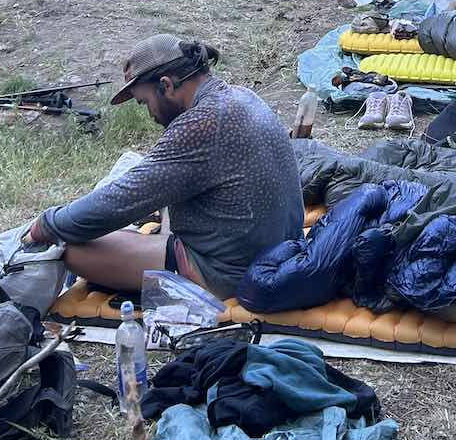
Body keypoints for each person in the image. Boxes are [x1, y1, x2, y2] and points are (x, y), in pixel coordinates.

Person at [23, 34, 302, 297]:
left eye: (145, 101)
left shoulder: (201, 124)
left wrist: (47, 224)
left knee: (69, 248)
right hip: (278, 249)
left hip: (233, 271)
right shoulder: (240, 96)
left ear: (166, 85)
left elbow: (119, 200)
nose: (150, 114)